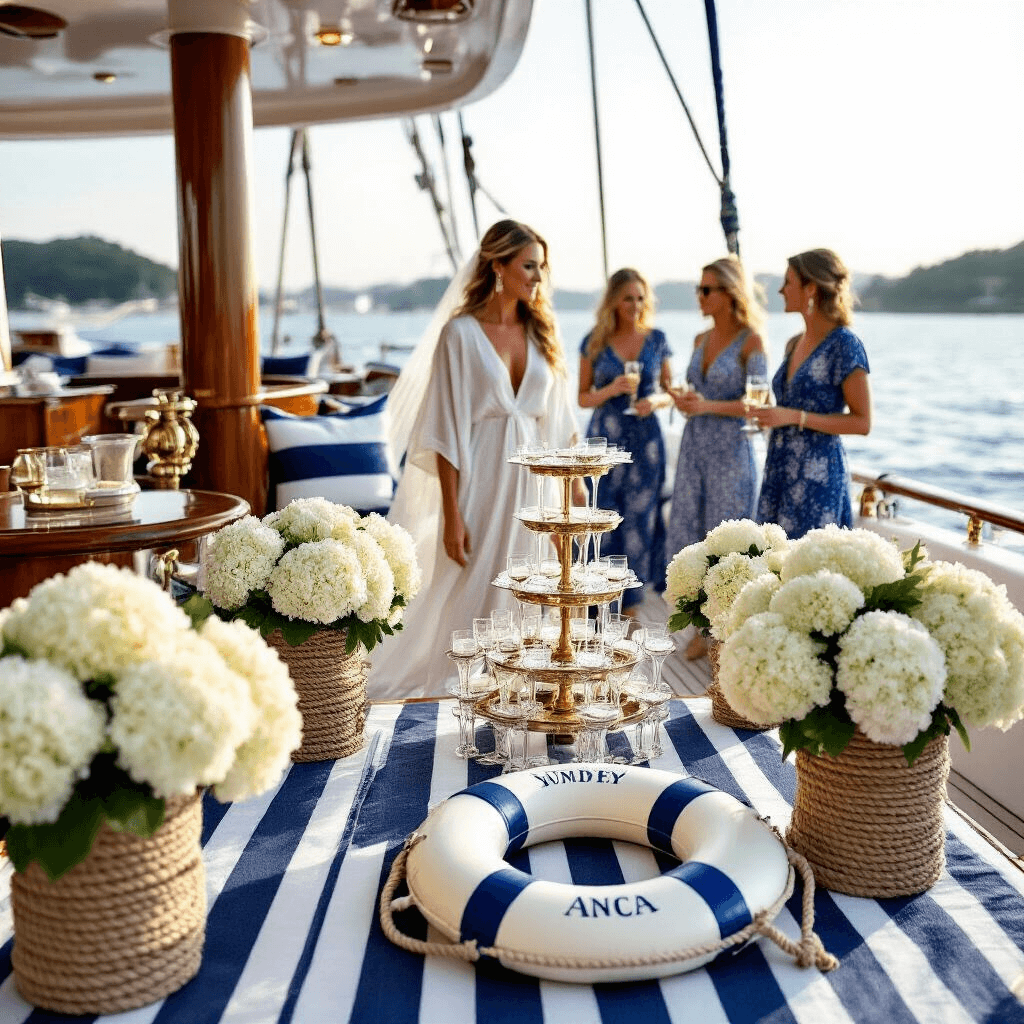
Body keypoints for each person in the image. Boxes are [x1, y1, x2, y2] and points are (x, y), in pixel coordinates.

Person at [366, 220, 579, 700]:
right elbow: (442, 430)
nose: (538, 277)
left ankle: (524, 687)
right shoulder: (459, 335)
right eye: (529, 266)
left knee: (533, 586)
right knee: (475, 587)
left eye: (542, 267)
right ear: (497, 266)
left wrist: (573, 496)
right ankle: (463, 690)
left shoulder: (542, 332)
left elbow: (561, 421)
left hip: (538, 484)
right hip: (482, 479)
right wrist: (451, 514)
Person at [665, 256, 767, 659]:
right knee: (692, 533)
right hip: (695, 447)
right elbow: (696, 394)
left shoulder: (752, 340)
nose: (700, 296)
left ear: (729, 294)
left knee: (728, 545)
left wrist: (706, 406)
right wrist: (683, 400)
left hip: (730, 451)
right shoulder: (698, 340)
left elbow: (759, 403)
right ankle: (699, 628)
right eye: (698, 289)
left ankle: (725, 634)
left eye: (707, 290)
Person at [753, 248, 871, 537]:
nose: (781, 290)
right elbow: (788, 408)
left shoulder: (845, 344)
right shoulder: (794, 343)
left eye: (788, 282)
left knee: (807, 573)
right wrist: (771, 414)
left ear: (811, 289)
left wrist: (793, 416)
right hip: (779, 469)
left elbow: (862, 422)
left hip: (816, 478)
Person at [578, 268, 673, 614]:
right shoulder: (595, 341)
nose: (635, 305)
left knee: (638, 519)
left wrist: (655, 402)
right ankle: (593, 599)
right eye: (628, 298)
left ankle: (630, 602)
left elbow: (668, 391)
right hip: (603, 440)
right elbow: (583, 397)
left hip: (645, 441)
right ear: (614, 301)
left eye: (640, 297)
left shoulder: (657, 339)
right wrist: (611, 389)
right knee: (599, 516)